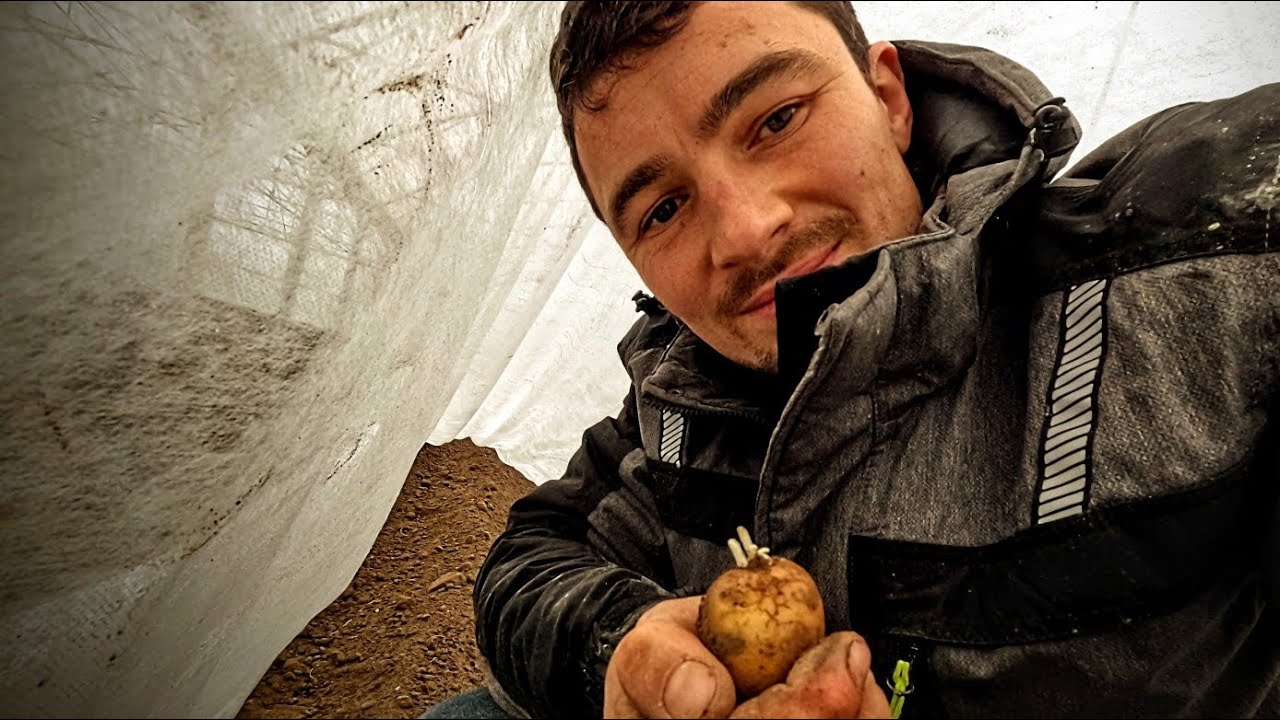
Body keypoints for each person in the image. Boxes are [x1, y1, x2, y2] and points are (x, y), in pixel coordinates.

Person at [427, 1, 1280, 717]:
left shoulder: (1193, 270)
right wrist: (614, 649)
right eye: (663, 208)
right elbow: (533, 555)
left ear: (888, 96)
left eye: (776, 119)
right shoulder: (680, 401)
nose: (744, 231)